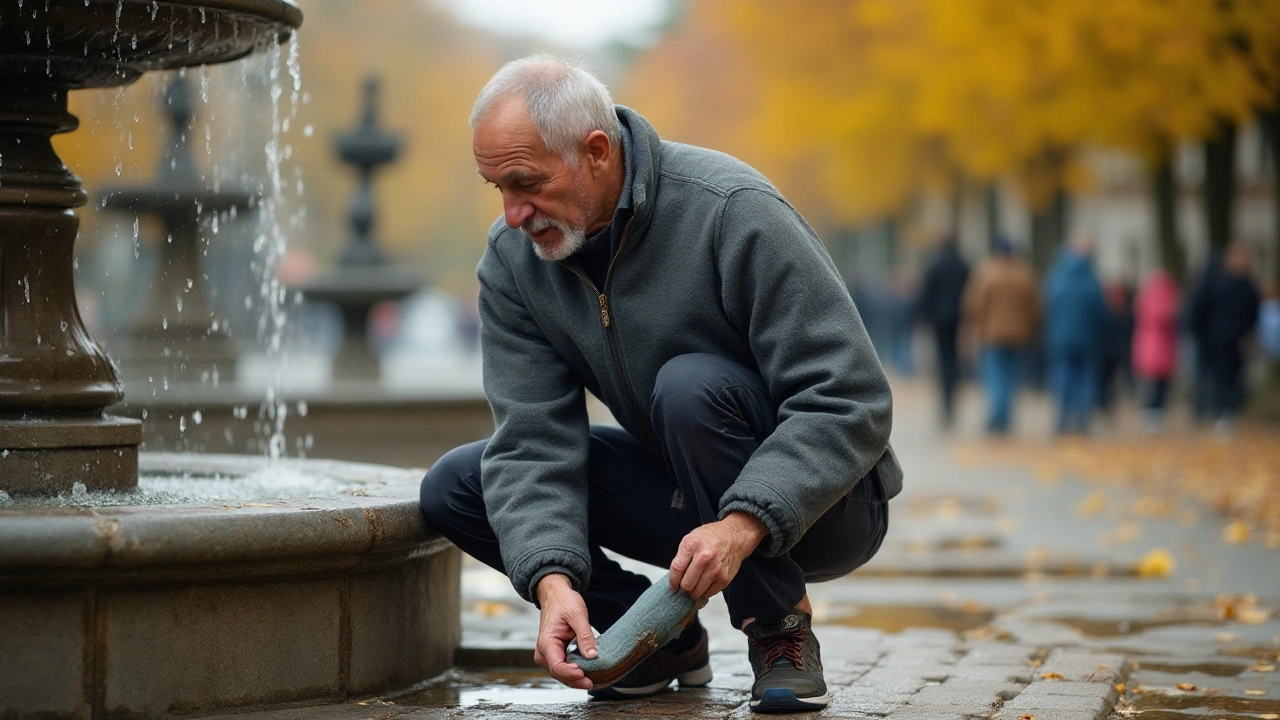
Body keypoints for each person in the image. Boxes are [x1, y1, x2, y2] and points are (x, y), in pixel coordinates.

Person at [418, 56, 899, 713]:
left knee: (690, 386)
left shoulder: (732, 210)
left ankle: (779, 630)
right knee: (458, 484)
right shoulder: (513, 264)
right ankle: (652, 641)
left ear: (595, 152)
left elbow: (850, 398)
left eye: (524, 183)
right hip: (682, 487)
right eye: (495, 187)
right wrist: (554, 585)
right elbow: (533, 445)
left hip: (830, 504)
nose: (510, 214)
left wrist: (739, 524)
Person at [962, 238, 1039, 435]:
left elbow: (975, 304)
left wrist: (976, 326)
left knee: (995, 376)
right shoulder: (1024, 274)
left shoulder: (987, 273)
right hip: (1018, 335)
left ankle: (997, 417)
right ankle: (1007, 417)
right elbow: (1034, 306)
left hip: (992, 334)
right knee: (1012, 377)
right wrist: (1031, 328)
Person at [1189, 242, 1260, 434]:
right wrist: (1200, 333)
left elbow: (1254, 311)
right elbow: (1199, 309)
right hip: (1215, 339)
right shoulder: (1215, 282)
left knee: (1235, 378)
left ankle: (1229, 412)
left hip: (1238, 340)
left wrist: (1251, 334)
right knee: (1218, 377)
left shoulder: (1248, 285)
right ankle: (1220, 413)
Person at [1042, 233, 1109, 435]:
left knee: (1063, 376)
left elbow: (1047, 307)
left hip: (1061, 337)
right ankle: (1082, 418)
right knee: (1085, 378)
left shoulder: (1056, 277)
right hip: (1087, 338)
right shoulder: (1092, 280)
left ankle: (1062, 418)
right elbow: (1100, 312)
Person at [915, 235, 970, 428]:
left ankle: (945, 404)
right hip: (958, 318)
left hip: (939, 320)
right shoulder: (964, 265)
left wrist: (922, 316)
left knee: (943, 361)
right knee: (954, 361)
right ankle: (952, 402)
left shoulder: (935, 265)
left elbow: (926, 292)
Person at [1131, 269, 1181, 431]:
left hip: (1149, 348)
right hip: (1164, 348)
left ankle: (1150, 411)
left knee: (1152, 383)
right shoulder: (1171, 302)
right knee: (1160, 384)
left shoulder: (1144, 300)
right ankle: (1156, 412)